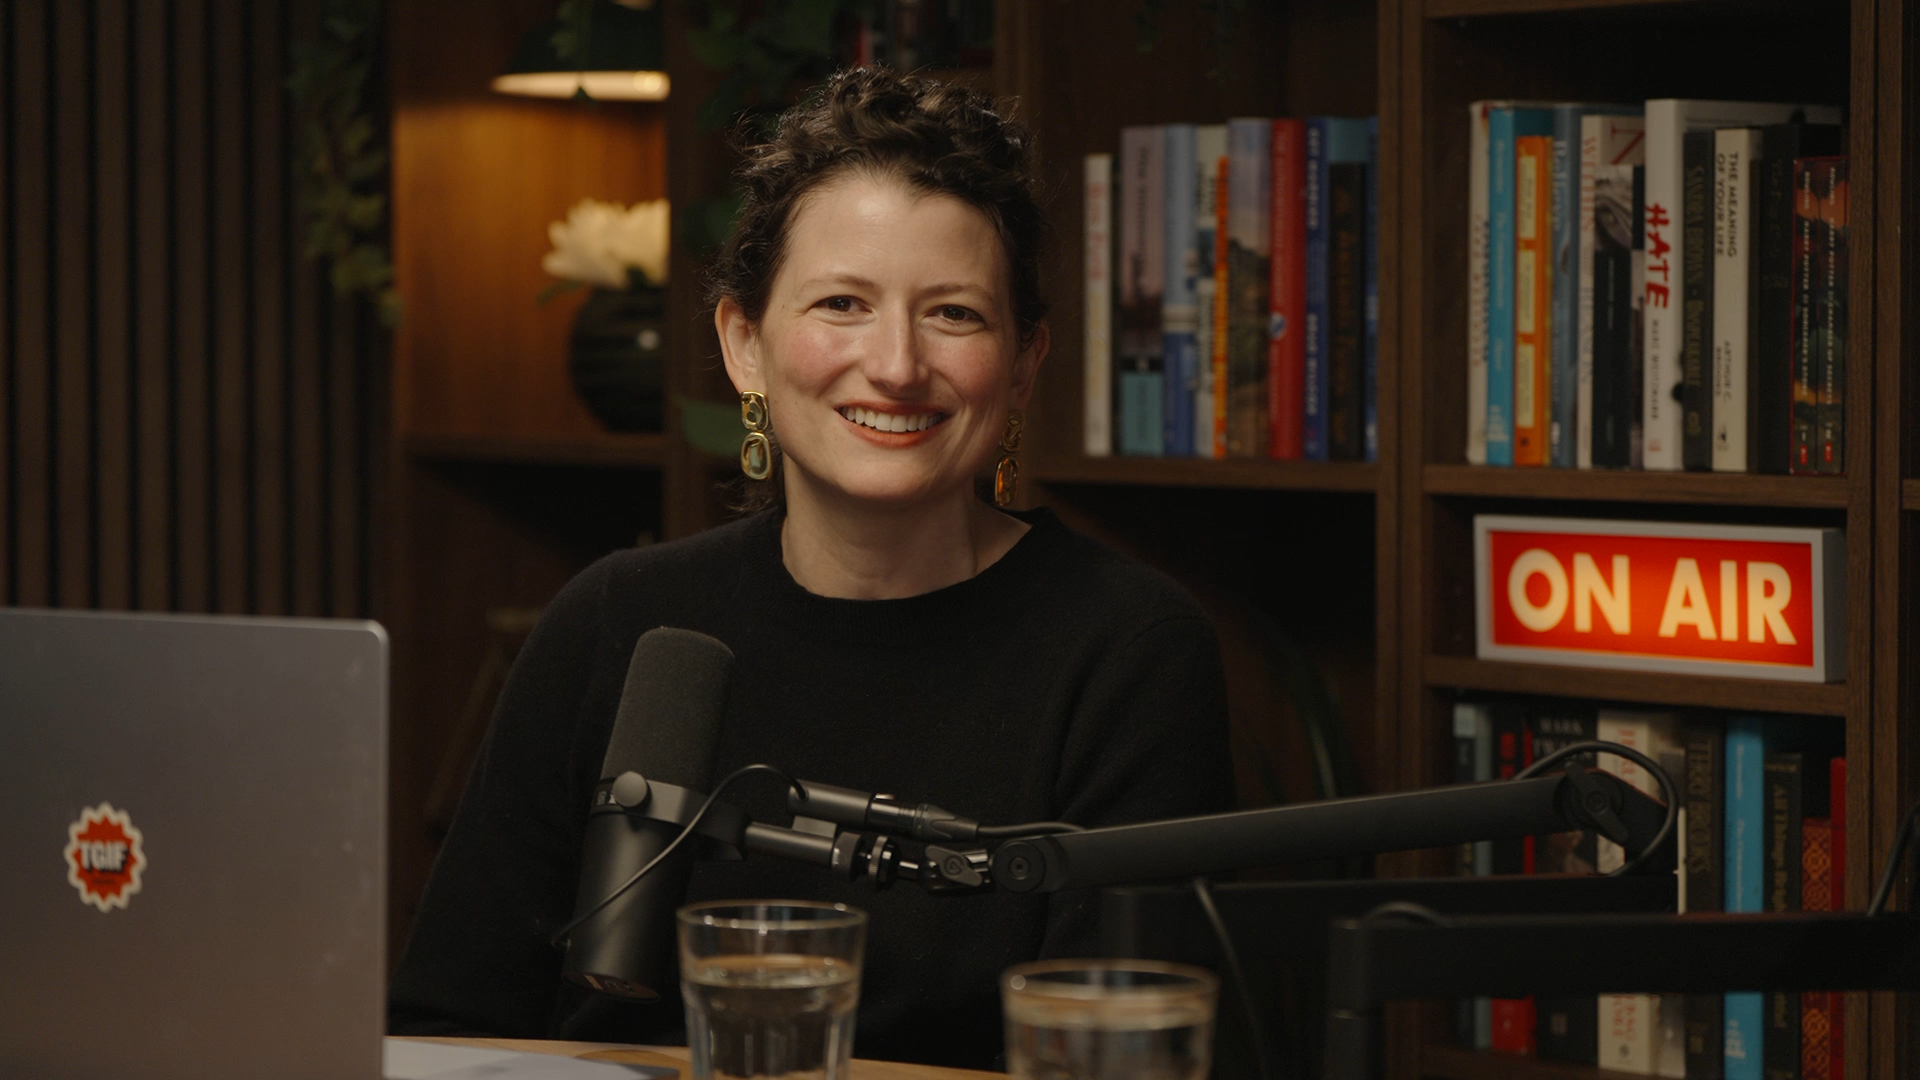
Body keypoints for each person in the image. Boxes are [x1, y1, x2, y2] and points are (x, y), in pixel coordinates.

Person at [387, 66, 1234, 1070]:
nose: (897, 365)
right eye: (842, 302)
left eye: (954, 314)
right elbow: (447, 1023)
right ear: (744, 344)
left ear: (1023, 363)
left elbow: (1120, 1054)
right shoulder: (616, 618)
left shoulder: (1130, 650)